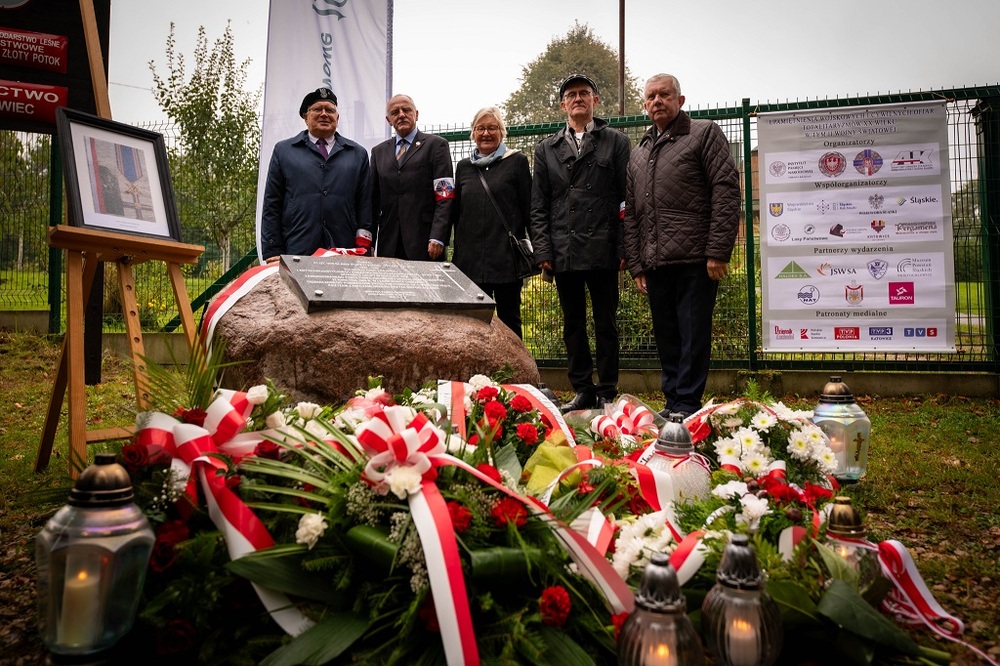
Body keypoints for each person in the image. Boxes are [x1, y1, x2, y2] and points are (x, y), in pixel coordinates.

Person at [623, 73, 741, 417]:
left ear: (680, 100)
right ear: (645, 105)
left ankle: (687, 404)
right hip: (655, 263)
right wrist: (637, 265)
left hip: (695, 260)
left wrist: (717, 250)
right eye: (651, 97)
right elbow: (632, 214)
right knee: (667, 338)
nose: (657, 101)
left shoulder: (704, 133)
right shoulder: (639, 152)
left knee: (693, 336)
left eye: (664, 94)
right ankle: (673, 402)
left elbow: (726, 189)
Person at [530, 74, 631, 412]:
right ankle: (583, 389)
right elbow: (539, 205)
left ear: (595, 101)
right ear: (563, 104)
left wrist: (623, 247)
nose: (577, 98)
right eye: (571, 95)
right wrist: (543, 250)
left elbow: (626, 200)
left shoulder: (616, 142)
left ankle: (607, 390)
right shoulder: (546, 148)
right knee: (572, 323)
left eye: (584, 93)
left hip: (603, 247)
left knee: (606, 323)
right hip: (565, 249)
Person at [260, 87, 373, 262]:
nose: (324, 114)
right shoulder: (284, 151)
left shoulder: (357, 154)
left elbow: (365, 206)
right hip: (297, 247)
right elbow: (272, 204)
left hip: (344, 250)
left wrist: (363, 248)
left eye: (330, 110)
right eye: (317, 109)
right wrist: (273, 250)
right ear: (306, 117)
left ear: (337, 118)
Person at [448, 106, 532, 337]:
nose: (486, 133)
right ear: (473, 133)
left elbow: (529, 209)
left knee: (509, 323)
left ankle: (514, 362)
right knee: (472, 325)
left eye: (492, 128)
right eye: (481, 128)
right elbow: (456, 213)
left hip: (506, 262)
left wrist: (541, 251)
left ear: (501, 132)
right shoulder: (464, 167)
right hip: (470, 263)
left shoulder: (517, 162)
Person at [370, 94, 454, 261]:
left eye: (406, 110)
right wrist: (369, 243)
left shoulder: (436, 146)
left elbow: (445, 196)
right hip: (389, 245)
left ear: (416, 114)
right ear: (388, 120)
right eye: (395, 112)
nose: (401, 115)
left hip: (426, 244)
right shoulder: (378, 152)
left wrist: (438, 236)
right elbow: (373, 202)